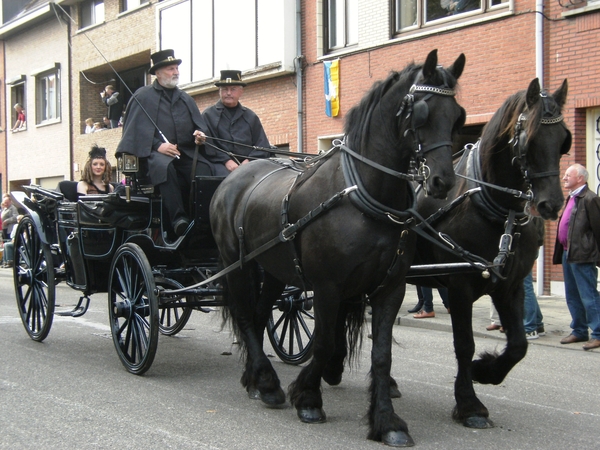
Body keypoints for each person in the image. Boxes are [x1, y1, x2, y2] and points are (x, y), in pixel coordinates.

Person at [116, 49, 210, 237]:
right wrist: (158, 146)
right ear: (158, 73)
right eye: (170, 69)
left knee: (205, 169)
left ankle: (205, 219)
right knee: (165, 166)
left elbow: (199, 128)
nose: (176, 72)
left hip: (185, 154)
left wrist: (199, 136)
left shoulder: (185, 98)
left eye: (176, 68)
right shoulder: (142, 96)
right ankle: (178, 219)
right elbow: (133, 133)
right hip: (152, 156)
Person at [553, 163, 600, 350]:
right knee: (572, 295)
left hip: (583, 256)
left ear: (580, 178)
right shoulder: (572, 198)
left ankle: (597, 333)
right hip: (568, 253)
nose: (564, 178)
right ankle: (579, 330)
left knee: (588, 295)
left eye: (567, 175)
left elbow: (598, 229)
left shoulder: (590, 199)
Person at [203, 70, 271, 176]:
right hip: (219, 164)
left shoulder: (251, 116)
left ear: (241, 92)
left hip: (250, 163)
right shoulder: (208, 115)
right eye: (225, 89)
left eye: (233, 89)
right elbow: (207, 145)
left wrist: (248, 161)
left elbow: (262, 145)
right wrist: (226, 161)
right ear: (219, 92)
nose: (228, 93)